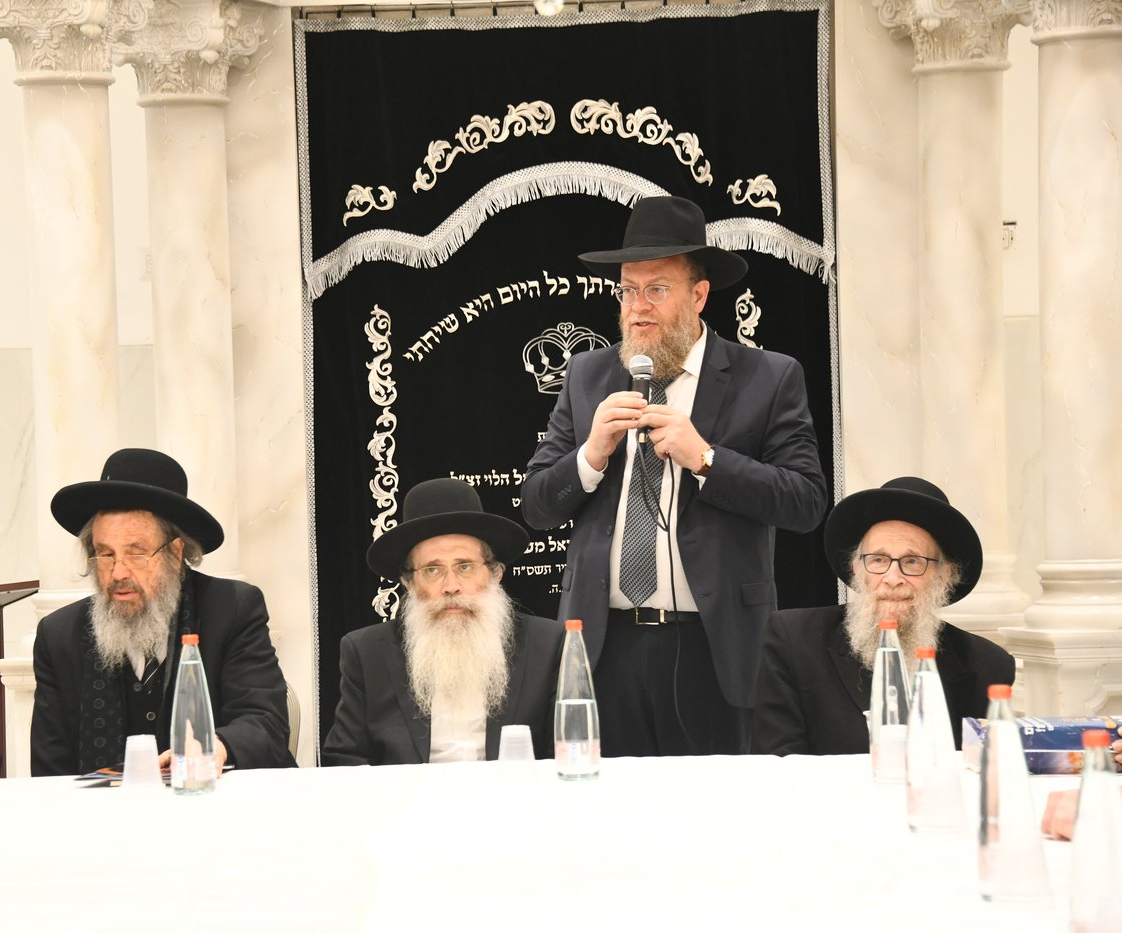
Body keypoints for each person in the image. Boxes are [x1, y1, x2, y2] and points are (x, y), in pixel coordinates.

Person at [522, 195, 826, 757]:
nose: (638, 307)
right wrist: (591, 454)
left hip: (714, 647)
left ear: (699, 295)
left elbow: (806, 501)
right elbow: (537, 506)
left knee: (712, 807)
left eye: (657, 290)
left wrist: (706, 459)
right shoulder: (588, 375)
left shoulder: (768, 377)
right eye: (628, 291)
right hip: (604, 647)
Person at [30, 448, 294, 777]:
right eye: (106, 554)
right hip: (104, 808)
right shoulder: (58, 636)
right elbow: (50, 772)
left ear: (175, 552)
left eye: (136, 553)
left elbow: (266, 723)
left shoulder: (232, 609)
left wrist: (216, 748)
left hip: (216, 799)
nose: (118, 573)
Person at [753, 476, 1016, 754]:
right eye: (878, 560)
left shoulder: (988, 666)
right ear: (857, 568)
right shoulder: (794, 641)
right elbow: (777, 766)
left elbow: (984, 768)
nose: (892, 578)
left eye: (912, 562)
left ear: (943, 576)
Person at [323, 479, 563, 766]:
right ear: (409, 582)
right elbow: (345, 760)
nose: (451, 586)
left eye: (465, 567)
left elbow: (569, 751)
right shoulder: (366, 652)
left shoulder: (548, 644)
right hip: (408, 795)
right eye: (432, 570)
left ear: (495, 575)